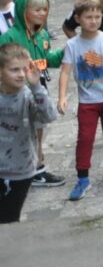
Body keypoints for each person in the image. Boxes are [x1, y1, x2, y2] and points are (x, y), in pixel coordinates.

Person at [58, 0, 103, 200]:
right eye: (88, 17)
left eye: (97, 16)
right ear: (78, 19)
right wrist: (62, 96)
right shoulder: (72, 45)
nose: (93, 21)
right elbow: (65, 72)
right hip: (87, 101)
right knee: (85, 138)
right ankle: (83, 177)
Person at [0, 0, 65, 187]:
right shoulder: (10, 36)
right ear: (22, 10)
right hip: (16, 91)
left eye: (44, 10)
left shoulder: (42, 34)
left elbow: (48, 61)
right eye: (36, 10)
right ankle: (28, 170)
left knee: (38, 128)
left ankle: (37, 168)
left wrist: (66, 51)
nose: (41, 14)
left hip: (38, 85)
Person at [0, 43, 58, 223]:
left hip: (21, 170)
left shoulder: (28, 95)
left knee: (9, 218)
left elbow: (49, 116)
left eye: (24, 69)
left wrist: (37, 86)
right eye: (14, 70)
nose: (21, 74)